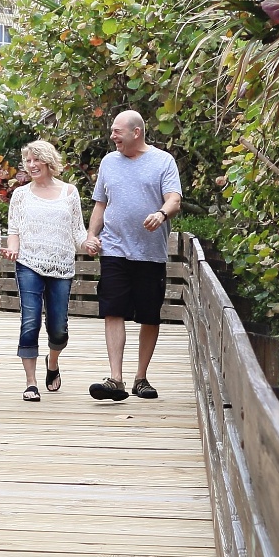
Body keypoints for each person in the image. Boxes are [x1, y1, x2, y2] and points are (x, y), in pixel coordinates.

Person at [83, 110, 182, 401]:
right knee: (113, 310)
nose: (112, 136)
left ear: (136, 132)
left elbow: (174, 199)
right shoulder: (108, 162)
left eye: (117, 131)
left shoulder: (163, 161)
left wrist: (161, 214)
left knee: (149, 316)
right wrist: (92, 235)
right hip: (114, 248)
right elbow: (100, 204)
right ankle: (116, 379)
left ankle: (141, 378)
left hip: (151, 253)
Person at [2, 140, 89, 402]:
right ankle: (31, 383)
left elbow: (78, 233)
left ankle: (53, 362)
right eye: (28, 161)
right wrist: (13, 249)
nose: (31, 165)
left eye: (36, 160)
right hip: (28, 263)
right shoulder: (20, 195)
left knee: (58, 327)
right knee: (30, 322)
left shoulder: (69, 193)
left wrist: (91, 243)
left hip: (61, 266)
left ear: (49, 162)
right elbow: (14, 230)